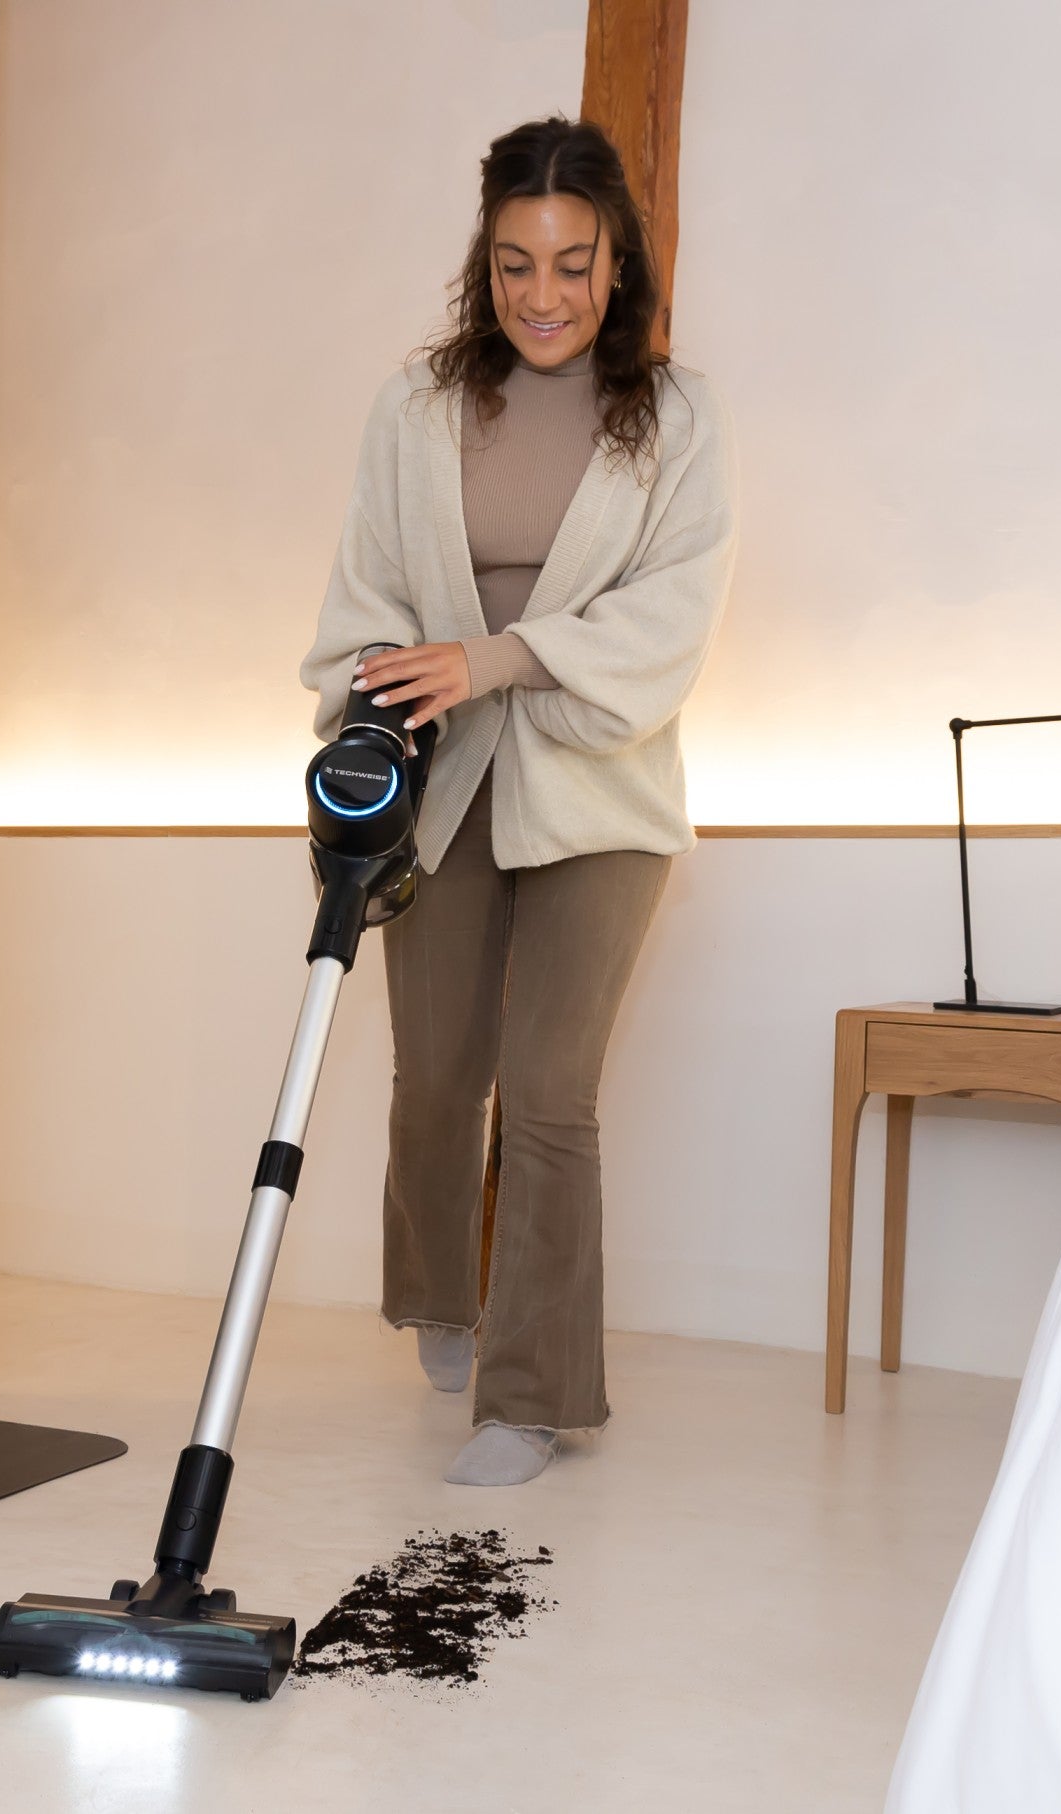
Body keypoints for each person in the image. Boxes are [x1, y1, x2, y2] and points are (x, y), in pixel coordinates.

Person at [300, 115, 738, 1486]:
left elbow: (669, 618)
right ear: (481, 264)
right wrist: (384, 692)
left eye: (571, 264)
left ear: (618, 263)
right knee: (436, 1072)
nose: (542, 295)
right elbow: (370, 584)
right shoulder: (415, 408)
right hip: (444, 778)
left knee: (549, 1090)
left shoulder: (677, 419)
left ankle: (530, 1395)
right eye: (513, 265)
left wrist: (490, 658)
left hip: (600, 789)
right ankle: (442, 1292)